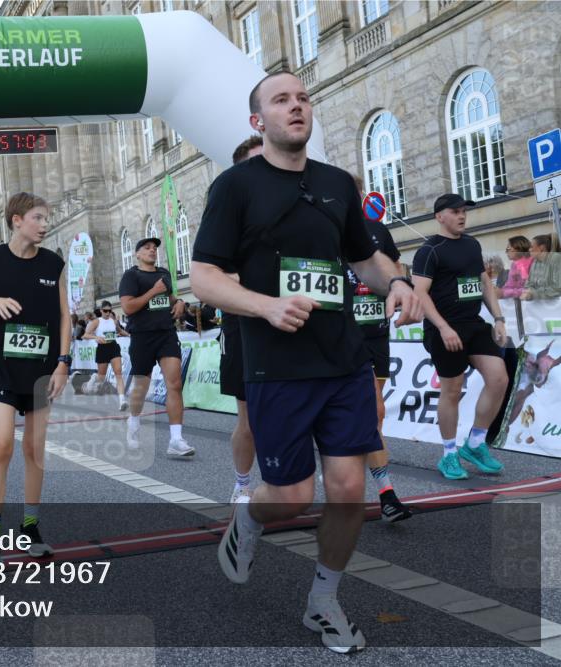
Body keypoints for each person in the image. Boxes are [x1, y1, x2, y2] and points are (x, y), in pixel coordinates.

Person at [190, 71, 422, 654]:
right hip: (278, 365)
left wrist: (395, 281)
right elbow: (203, 278)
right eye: (280, 100)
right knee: (291, 498)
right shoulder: (235, 186)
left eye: (301, 98)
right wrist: (266, 306)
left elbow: (363, 255)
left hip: (342, 359)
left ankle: (324, 601)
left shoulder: (337, 184)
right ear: (257, 121)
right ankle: (247, 519)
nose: (295, 107)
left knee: (347, 491)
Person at [0, 192, 71, 567]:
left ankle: (30, 526)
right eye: (38, 217)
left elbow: (65, 315)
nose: (45, 224)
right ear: (17, 220)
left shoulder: (54, 263)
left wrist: (63, 362)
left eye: (46, 218)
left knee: (35, 450)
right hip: (2, 366)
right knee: (1, 446)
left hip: (42, 369)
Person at [412, 193, 509, 481]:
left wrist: (499, 318)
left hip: (473, 324)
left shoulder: (471, 244)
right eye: (455, 211)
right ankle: (449, 454)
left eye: (464, 211)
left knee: (499, 378)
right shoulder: (429, 250)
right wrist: (443, 327)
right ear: (439, 216)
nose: (462, 216)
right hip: (444, 328)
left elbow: (484, 285)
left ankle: (475, 444)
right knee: (452, 390)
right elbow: (420, 294)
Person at [346, 175, 412, 522]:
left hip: (376, 334)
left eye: (354, 192)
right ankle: (386, 493)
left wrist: (397, 290)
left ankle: (357, 475)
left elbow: (394, 268)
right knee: (370, 412)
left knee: (374, 415)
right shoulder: (323, 230)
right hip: (341, 337)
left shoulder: (376, 230)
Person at [218, 134, 264, 506]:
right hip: (244, 328)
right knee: (248, 419)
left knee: (290, 417)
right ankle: (243, 484)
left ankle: (284, 486)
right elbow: (211, 278)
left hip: (293, 326)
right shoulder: (227, 218)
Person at [119, 237, 194, 458]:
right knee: (141, 388)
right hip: (142, 337)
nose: (152, 250)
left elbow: (168, 296)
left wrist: (179, 302)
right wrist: (153, 291)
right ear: (137, 254)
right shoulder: (131, 275)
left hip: (166, 334)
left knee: (175, 383)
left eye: (154, 248)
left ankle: (176, 439)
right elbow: (128, 307)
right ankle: (133, 421)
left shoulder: (164, 274)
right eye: (147, 248)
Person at [82, 300, 130, 410]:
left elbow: (120, 331)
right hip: (102, 349)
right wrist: (96, 337)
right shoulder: (96, 322)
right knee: (101, 378)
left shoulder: (113, 321)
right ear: (101, 311)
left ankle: (122, 401)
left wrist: (130, 335)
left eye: (109, 311)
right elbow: (85, 335)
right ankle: (94, 377)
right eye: (105, 311)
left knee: (118, 372)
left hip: (113, 347)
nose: (108, 313)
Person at [521, 234, 561, 301]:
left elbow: (558, 288)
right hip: (540, 306)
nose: (529, 250)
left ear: (541, 248)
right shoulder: (534, 262)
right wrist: (528, 292)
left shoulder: (556, 258)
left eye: (531, 247)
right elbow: (528, 284)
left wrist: (534, 294)